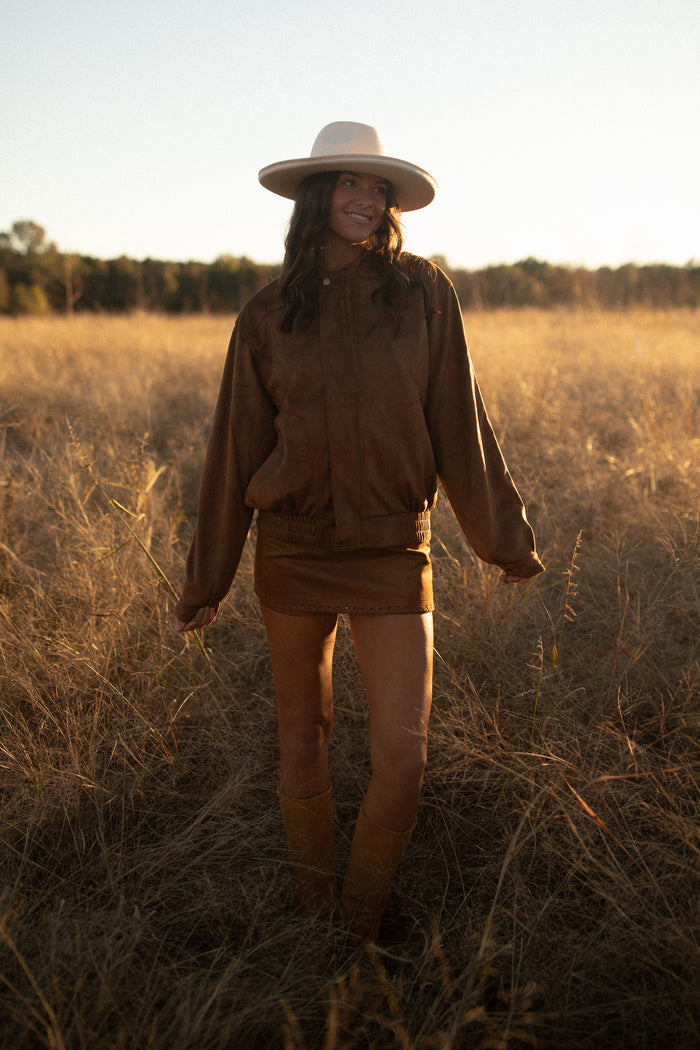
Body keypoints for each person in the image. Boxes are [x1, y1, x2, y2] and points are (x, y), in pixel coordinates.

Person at [174, 121, 544, 943]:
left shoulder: (422, 292)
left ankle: (360, 913)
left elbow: (459, 421)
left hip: (390, 550)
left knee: (404, 759)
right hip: (295, 549)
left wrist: (503, 541)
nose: (366, 199)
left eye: (377, 188)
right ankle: (317, 921)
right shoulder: (267, 314)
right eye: (349, 184)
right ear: (317, 198)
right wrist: (206, 582)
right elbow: (234, 449)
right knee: (303, 737)